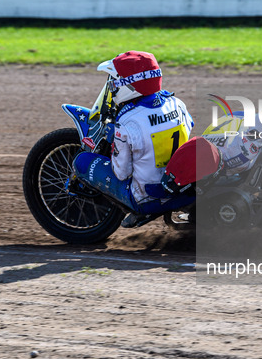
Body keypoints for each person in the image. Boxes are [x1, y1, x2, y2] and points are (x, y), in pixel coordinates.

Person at [72, 51, 195, 228]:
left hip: (147, 198)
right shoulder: (176, 103)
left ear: (128, 86)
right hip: (179, 187)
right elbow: (190, 124)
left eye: (114, 81)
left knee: (82, 161)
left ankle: (135, 210)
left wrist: (116, 142)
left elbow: (121, 172)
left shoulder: (127, 121)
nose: (112, 87)